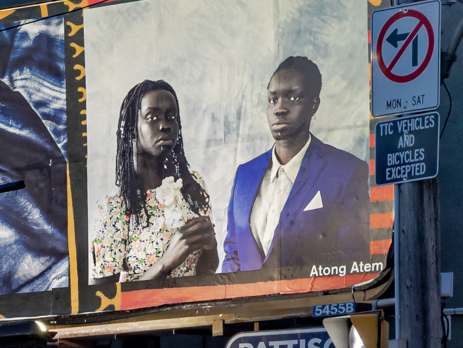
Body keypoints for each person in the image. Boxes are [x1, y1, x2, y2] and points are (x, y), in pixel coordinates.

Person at [222, 55, 372, 277]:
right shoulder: (244, 175)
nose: (279, 109)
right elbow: (233, 256)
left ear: (314, 105)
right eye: (272, 100)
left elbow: (352, 258)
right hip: (250, 310)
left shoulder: (346, 171)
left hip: (313, 308)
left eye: (292, 98)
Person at [90, 81, 219, 283]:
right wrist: (165, 263)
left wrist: (210, 244)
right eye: (152, 117)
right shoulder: (113, 209)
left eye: (171, 117)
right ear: (132, 128)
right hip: (145, 315)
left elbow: (208, 266)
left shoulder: (192, 185)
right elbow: (105, 302)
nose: (165, 125)